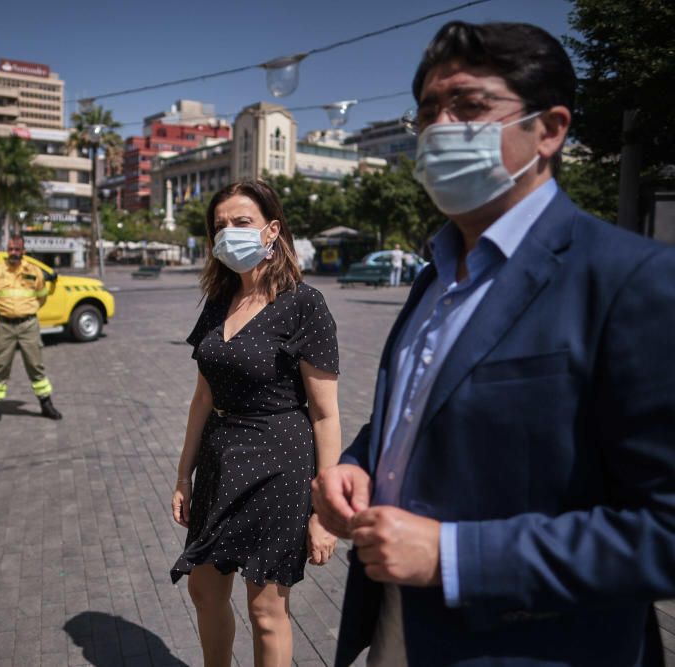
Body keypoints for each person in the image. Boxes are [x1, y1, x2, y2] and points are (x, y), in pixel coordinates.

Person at [312, 20, 675, 667]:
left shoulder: (630, 280)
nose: (440, 126)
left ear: (551, 128)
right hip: (396, 636)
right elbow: (424, 413)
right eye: (428, 110)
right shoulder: (432, 276)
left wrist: (456, 556)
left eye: (470, 106)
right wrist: (360, 461)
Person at [170, 180, 341, 666]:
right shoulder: (217, 302)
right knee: (204, 590)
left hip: (278, 463)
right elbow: (202, 395)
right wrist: (184, 474)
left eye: (240, 223)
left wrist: (323, 510)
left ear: (272, 231)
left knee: (266, 609)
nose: (228, 233)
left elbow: (326, 415)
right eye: (219, 226)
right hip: (219, 460)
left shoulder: (305, 304)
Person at [0, 234, 62, 425]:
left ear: (23, 251)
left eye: (17, 249)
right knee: (0, 366)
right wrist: (6, 312)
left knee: (35, 365)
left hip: (28, 325)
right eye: (11, 249)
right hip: (4, 325)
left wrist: (25, 311)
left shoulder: (34, 271)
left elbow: (42, 297)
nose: (14, 253)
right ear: (7, 250)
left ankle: (46, 404)